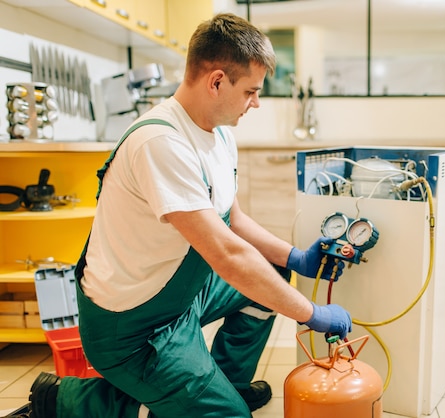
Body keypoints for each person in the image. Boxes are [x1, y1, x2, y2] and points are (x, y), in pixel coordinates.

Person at [10, 13, 351, 418]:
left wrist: (296, 258)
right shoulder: (161, 142)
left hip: (177, 293)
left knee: (274, 273)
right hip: (133, 327)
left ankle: (225, 386)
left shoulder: (219, 131)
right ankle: (63, 401)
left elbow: (234, 220)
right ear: (217, 81)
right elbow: (227, 255)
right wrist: (314, 314)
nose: (255, 103)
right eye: (251, 92)